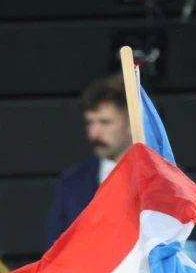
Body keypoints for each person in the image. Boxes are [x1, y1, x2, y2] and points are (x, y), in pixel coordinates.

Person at [44, 74, 133, 250]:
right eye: (90, 122)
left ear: (131, 123)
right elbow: (53, 253)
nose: (94, 133)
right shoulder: (71, 182)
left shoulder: (164, 181)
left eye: (105, 122)